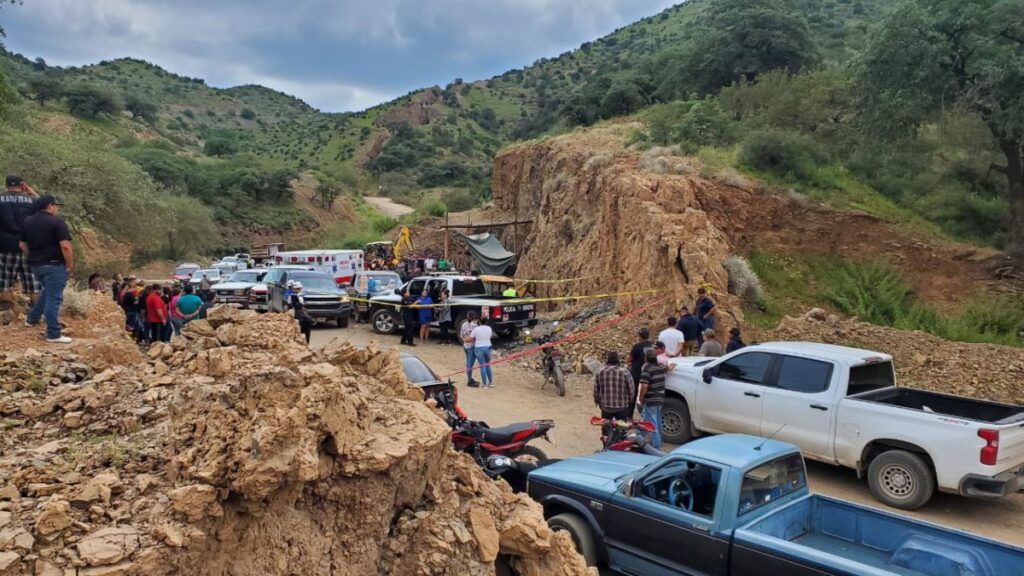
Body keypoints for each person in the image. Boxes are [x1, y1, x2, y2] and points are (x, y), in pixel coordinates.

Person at [20, 195, 73, 343]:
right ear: (50, 206)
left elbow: (22, 245)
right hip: (54, 264)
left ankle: (31, 319)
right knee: (54, 298)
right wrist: (69, 264)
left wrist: (33, 257)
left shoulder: (28, 221)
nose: (57, 208)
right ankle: (53, 334)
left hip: (36, 265)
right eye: (56, 205)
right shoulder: (57, 222)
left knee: (48, 291)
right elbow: (65, 246)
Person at [0, 175, 40, 311]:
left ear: (6, 185)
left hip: (4, 245)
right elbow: (46, 208)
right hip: (29, 246)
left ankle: (6, 309)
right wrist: (32, 192)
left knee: (4, 276)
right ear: (22, 185)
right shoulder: (32, 200)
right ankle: (36, 309)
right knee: (32, 278)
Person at [638, 347, 667, 449]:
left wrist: (640, 398)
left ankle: (656, 445)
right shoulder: (660, 366)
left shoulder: (647, 369)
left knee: (652, 423)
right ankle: (658, 440)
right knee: (657, 420)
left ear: (646, 358)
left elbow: (644, 385)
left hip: (651, 400)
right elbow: (667, 368)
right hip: (661, 398)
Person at [593, 351, 635, 421]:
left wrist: (597, 401)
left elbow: (596, 390)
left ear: (607, 360)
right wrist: (629, 401)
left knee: (606, 428)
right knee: (622, 429)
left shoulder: (600, 372)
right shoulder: (625, 372)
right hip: (621, 406)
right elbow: (631, 389)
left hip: (606, 406)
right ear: (618, 360)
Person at [626, 327, 652, 418]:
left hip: (637, 373)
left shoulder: (637, 346)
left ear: (640, 336)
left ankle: (629, 416)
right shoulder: (653, 345)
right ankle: (646, 417)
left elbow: (628, 359)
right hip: (650, 373)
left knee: (633, 395)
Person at [470, 316, 495, 388]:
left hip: (479, 348)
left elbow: (471, 338)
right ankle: (490, 383)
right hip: (488, 348)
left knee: (482, 366)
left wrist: (465, 339)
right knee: (487, 365)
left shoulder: (476, 329)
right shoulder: (489, 328)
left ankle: (484, 384)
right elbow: (490, 336)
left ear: (479, 322)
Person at [460, 311, 480, 386]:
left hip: (465, 345)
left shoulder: (463, 324)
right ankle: (469, 380)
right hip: (472, 346)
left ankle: (470, 378)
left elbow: (461, 335)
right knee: (470, 364)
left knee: (468, 362)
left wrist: (465, 340)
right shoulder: (475, 326)